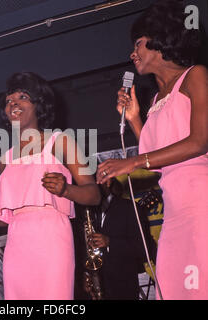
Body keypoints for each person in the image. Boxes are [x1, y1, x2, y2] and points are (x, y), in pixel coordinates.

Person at [96, 0, 208, 300]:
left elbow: (199, 142)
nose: (133, 53)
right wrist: (134, 119)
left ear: (160, 40)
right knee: (172, 289)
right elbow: (156, 159)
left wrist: (131, 162)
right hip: (174, 210)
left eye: (138, 43)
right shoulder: (157, 97)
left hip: (200, 202)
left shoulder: (195, 75)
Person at [0, 71, 101, 300]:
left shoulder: (61, 141)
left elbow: (93, 194)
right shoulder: (7, 158)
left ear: (38, 104)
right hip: (16, 245)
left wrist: (66, 190)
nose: (13, 103)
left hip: (52, 239)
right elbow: (7, 216)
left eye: (22, 97)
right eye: (8, 101)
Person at [87, 178, 156, 300]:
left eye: (92, 180)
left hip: (122, 288)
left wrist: (110, 242)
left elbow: (145, 248)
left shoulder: (129, 207)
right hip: (94, 286)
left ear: (107, 182)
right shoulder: (87, 211)